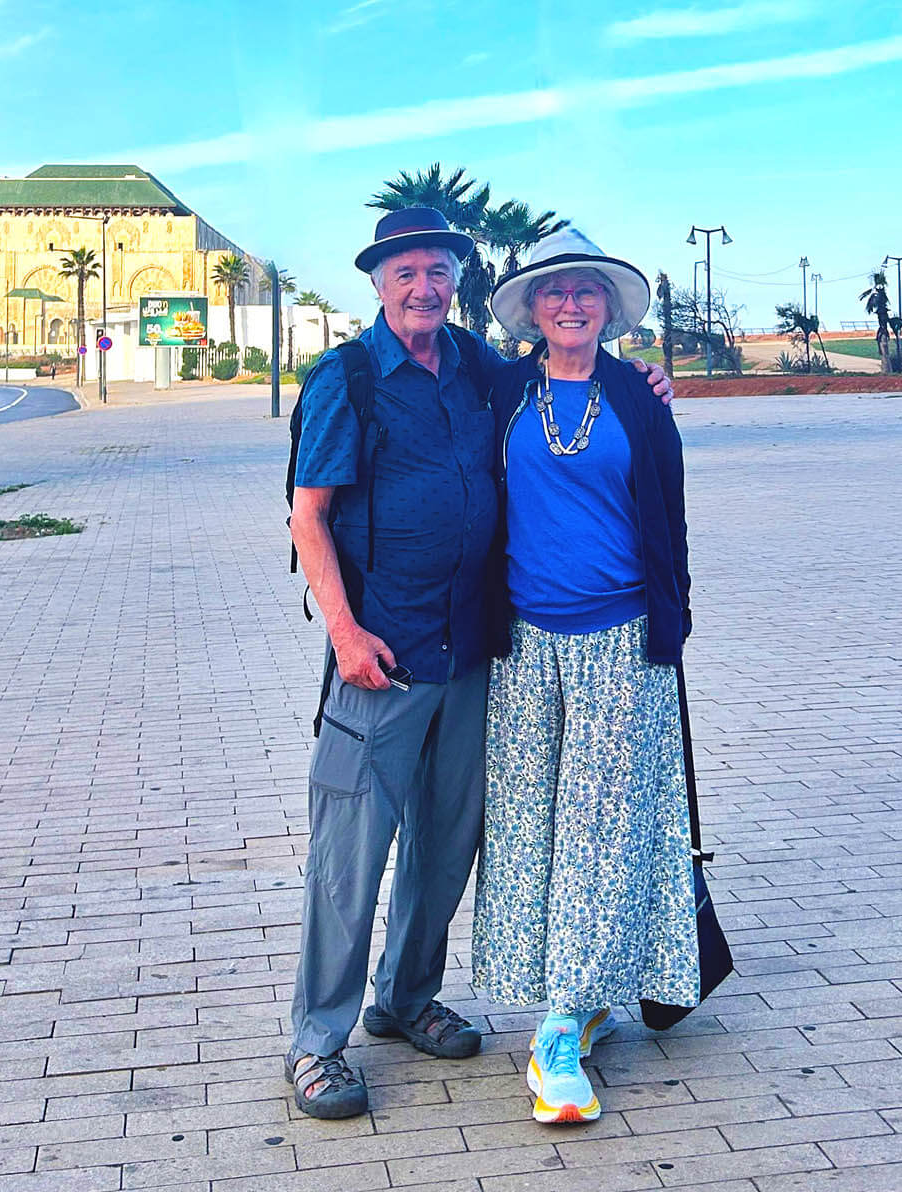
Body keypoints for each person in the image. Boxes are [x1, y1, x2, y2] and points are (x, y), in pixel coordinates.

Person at [286, 208, 672, 1120]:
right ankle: (315, 1042)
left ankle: (406, 997)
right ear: (379, 284)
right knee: (352, 852)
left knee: (445, 843)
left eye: (439, 272)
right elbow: (308, 516)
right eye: (406, 273)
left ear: (458, 282)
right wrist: (343, 633)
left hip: (472, 652)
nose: (425, 288)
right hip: (381, 654)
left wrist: (644, 376)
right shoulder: (347, 378)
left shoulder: (478, 368)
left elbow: (570, 379)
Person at [472, 228, 699, 1126]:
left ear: (609, 310)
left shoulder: (640, 399)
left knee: (603, 830)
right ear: (531, 310)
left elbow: (670, 515)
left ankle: (561, 1029)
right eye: (555, 294)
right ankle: (572, 985)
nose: (571, 306)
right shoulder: (500, 392)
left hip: (621, 637)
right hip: (523, 640)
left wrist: (672, 625)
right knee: (530, 825)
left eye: (587, 294)